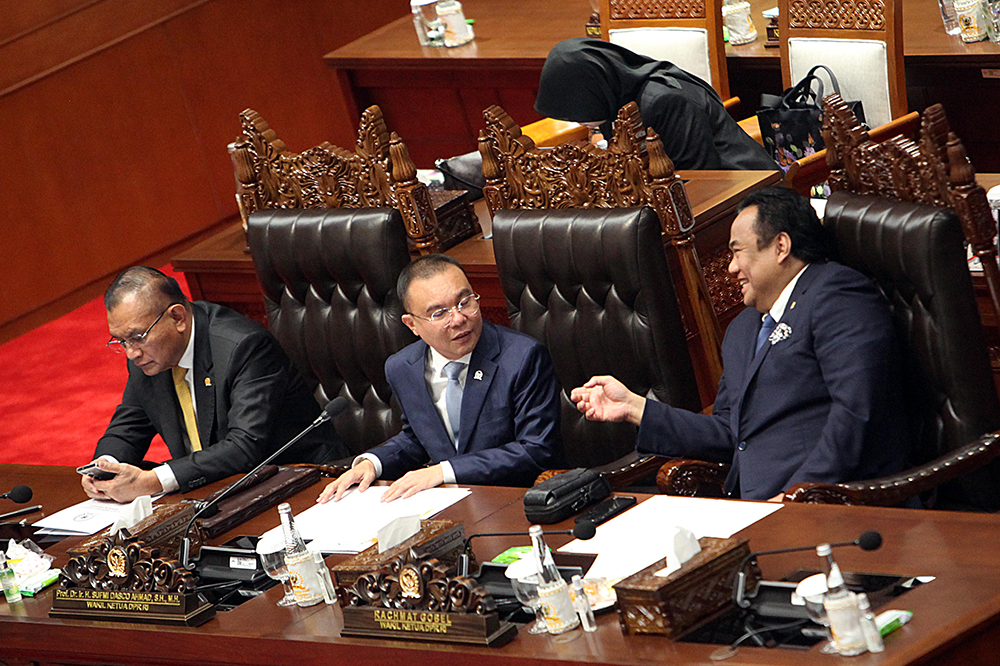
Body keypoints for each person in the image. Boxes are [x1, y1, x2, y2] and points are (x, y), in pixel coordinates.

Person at [570, 187, 910, 501]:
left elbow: (855, 413)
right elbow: (728, 432)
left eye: (737, 252)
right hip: (758, 508)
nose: (731, 268)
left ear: (781, 246)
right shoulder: (743, 329)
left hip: (838, 502)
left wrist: (796, 498)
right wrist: (633, 407)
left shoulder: (836, 294)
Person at [82, 267, 346, 503]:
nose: (131, 352)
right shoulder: (148, 358)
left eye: (137, 337)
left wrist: (154, 481)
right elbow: (129, 425)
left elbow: (243, 447)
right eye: (120, 341)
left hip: (300, 483)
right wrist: (104, 469)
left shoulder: (244, 347)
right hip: (217, 489)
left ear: (178, 318)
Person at [319, 254, 563, 503]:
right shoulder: (403, 368)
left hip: (516, 499)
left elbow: (535, 450)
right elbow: (418, 437)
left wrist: (443, 472)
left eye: (465, 302)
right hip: (446, 504)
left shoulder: (522, 358)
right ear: (412, 324)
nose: (458, 319)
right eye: (439, 314)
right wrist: (373, 463)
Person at [535, 37, 778, 172]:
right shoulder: (615, 100)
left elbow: (701, 175)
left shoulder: (666, 101)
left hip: (742, 191)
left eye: (581, 112)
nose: (580, 122)